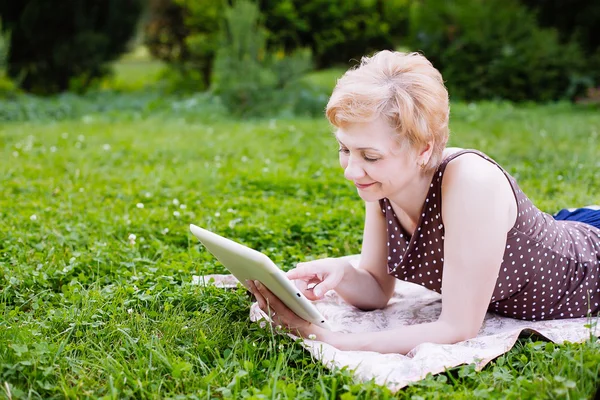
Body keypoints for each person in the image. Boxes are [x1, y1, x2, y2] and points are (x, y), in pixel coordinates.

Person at [247, 50, 600, 354]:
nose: (352, 171)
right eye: (344, 149)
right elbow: (376, 289)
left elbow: (458, 328)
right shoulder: (384, 184)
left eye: (370, 155)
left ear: (424, 149)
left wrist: (329, 339)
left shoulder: (471, 183)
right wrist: (340, 273)